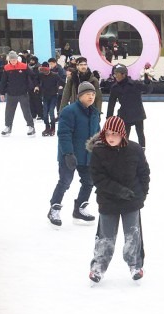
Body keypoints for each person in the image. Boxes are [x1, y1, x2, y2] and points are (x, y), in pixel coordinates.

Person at [87, 116, 150, 283]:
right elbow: (98, 179)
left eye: (115, 133)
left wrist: (143, 194)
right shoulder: (99, 152)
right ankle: (98, 266)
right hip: (108, 200)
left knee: (133, 235)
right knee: (106, 237)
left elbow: (144, 173)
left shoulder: (135, 149)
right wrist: (119, 191)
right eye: (108, 133)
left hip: (132, 200)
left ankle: (135, 264)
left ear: (122, 133)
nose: (111, 137)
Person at [47, 82, 101, 227]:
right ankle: (54, 208)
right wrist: (68, 153)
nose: (91, 97)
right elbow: (64, 134)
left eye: (93, 94)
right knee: (65, 182)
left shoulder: (95, 112)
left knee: (89, 182)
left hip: (87, 155)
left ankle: (80, 208)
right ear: (80, 96)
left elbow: (98, 134)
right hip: (69, 154)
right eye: (88, 94)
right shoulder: (69, 111)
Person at [107, 64, 148, 149]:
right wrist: (109, 116)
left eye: (117, 74)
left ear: (123, 74)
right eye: (114, 74)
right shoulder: (115, 87)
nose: (115, 76)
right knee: (124, 135)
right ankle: (124, 151)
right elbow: (111, 103)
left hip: (137, 113)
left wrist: (147, 81)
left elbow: (148, 89)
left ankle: (142, 150)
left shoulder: (135, 84)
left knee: (140, 133)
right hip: (124, 114)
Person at [0, 51, 36, 136]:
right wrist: (1, 93)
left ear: (17, 59)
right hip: (11, 93)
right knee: (9, 111)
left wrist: (32, 86)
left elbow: (33, 75)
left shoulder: (23, 66)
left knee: (26, 111)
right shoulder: (6, 68)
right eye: (11, 59)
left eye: (14, 59)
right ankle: (8, 126)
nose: (13, 61)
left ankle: (31, 126)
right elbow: (3, 81)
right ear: (9, 60)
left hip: (23, 93)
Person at [36, 62, 64, 136]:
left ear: (49, 69)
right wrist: (37, 86)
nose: (44, 72)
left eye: (45, 70)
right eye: (43, 70)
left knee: (51, 112)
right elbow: (36, 81)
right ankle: (47, 127)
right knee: (45, 114)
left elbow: (62, 82)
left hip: (53, 96)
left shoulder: (55, 75)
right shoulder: (41, 75)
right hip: (45, 96)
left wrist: (60, 87)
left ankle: (53, 128)